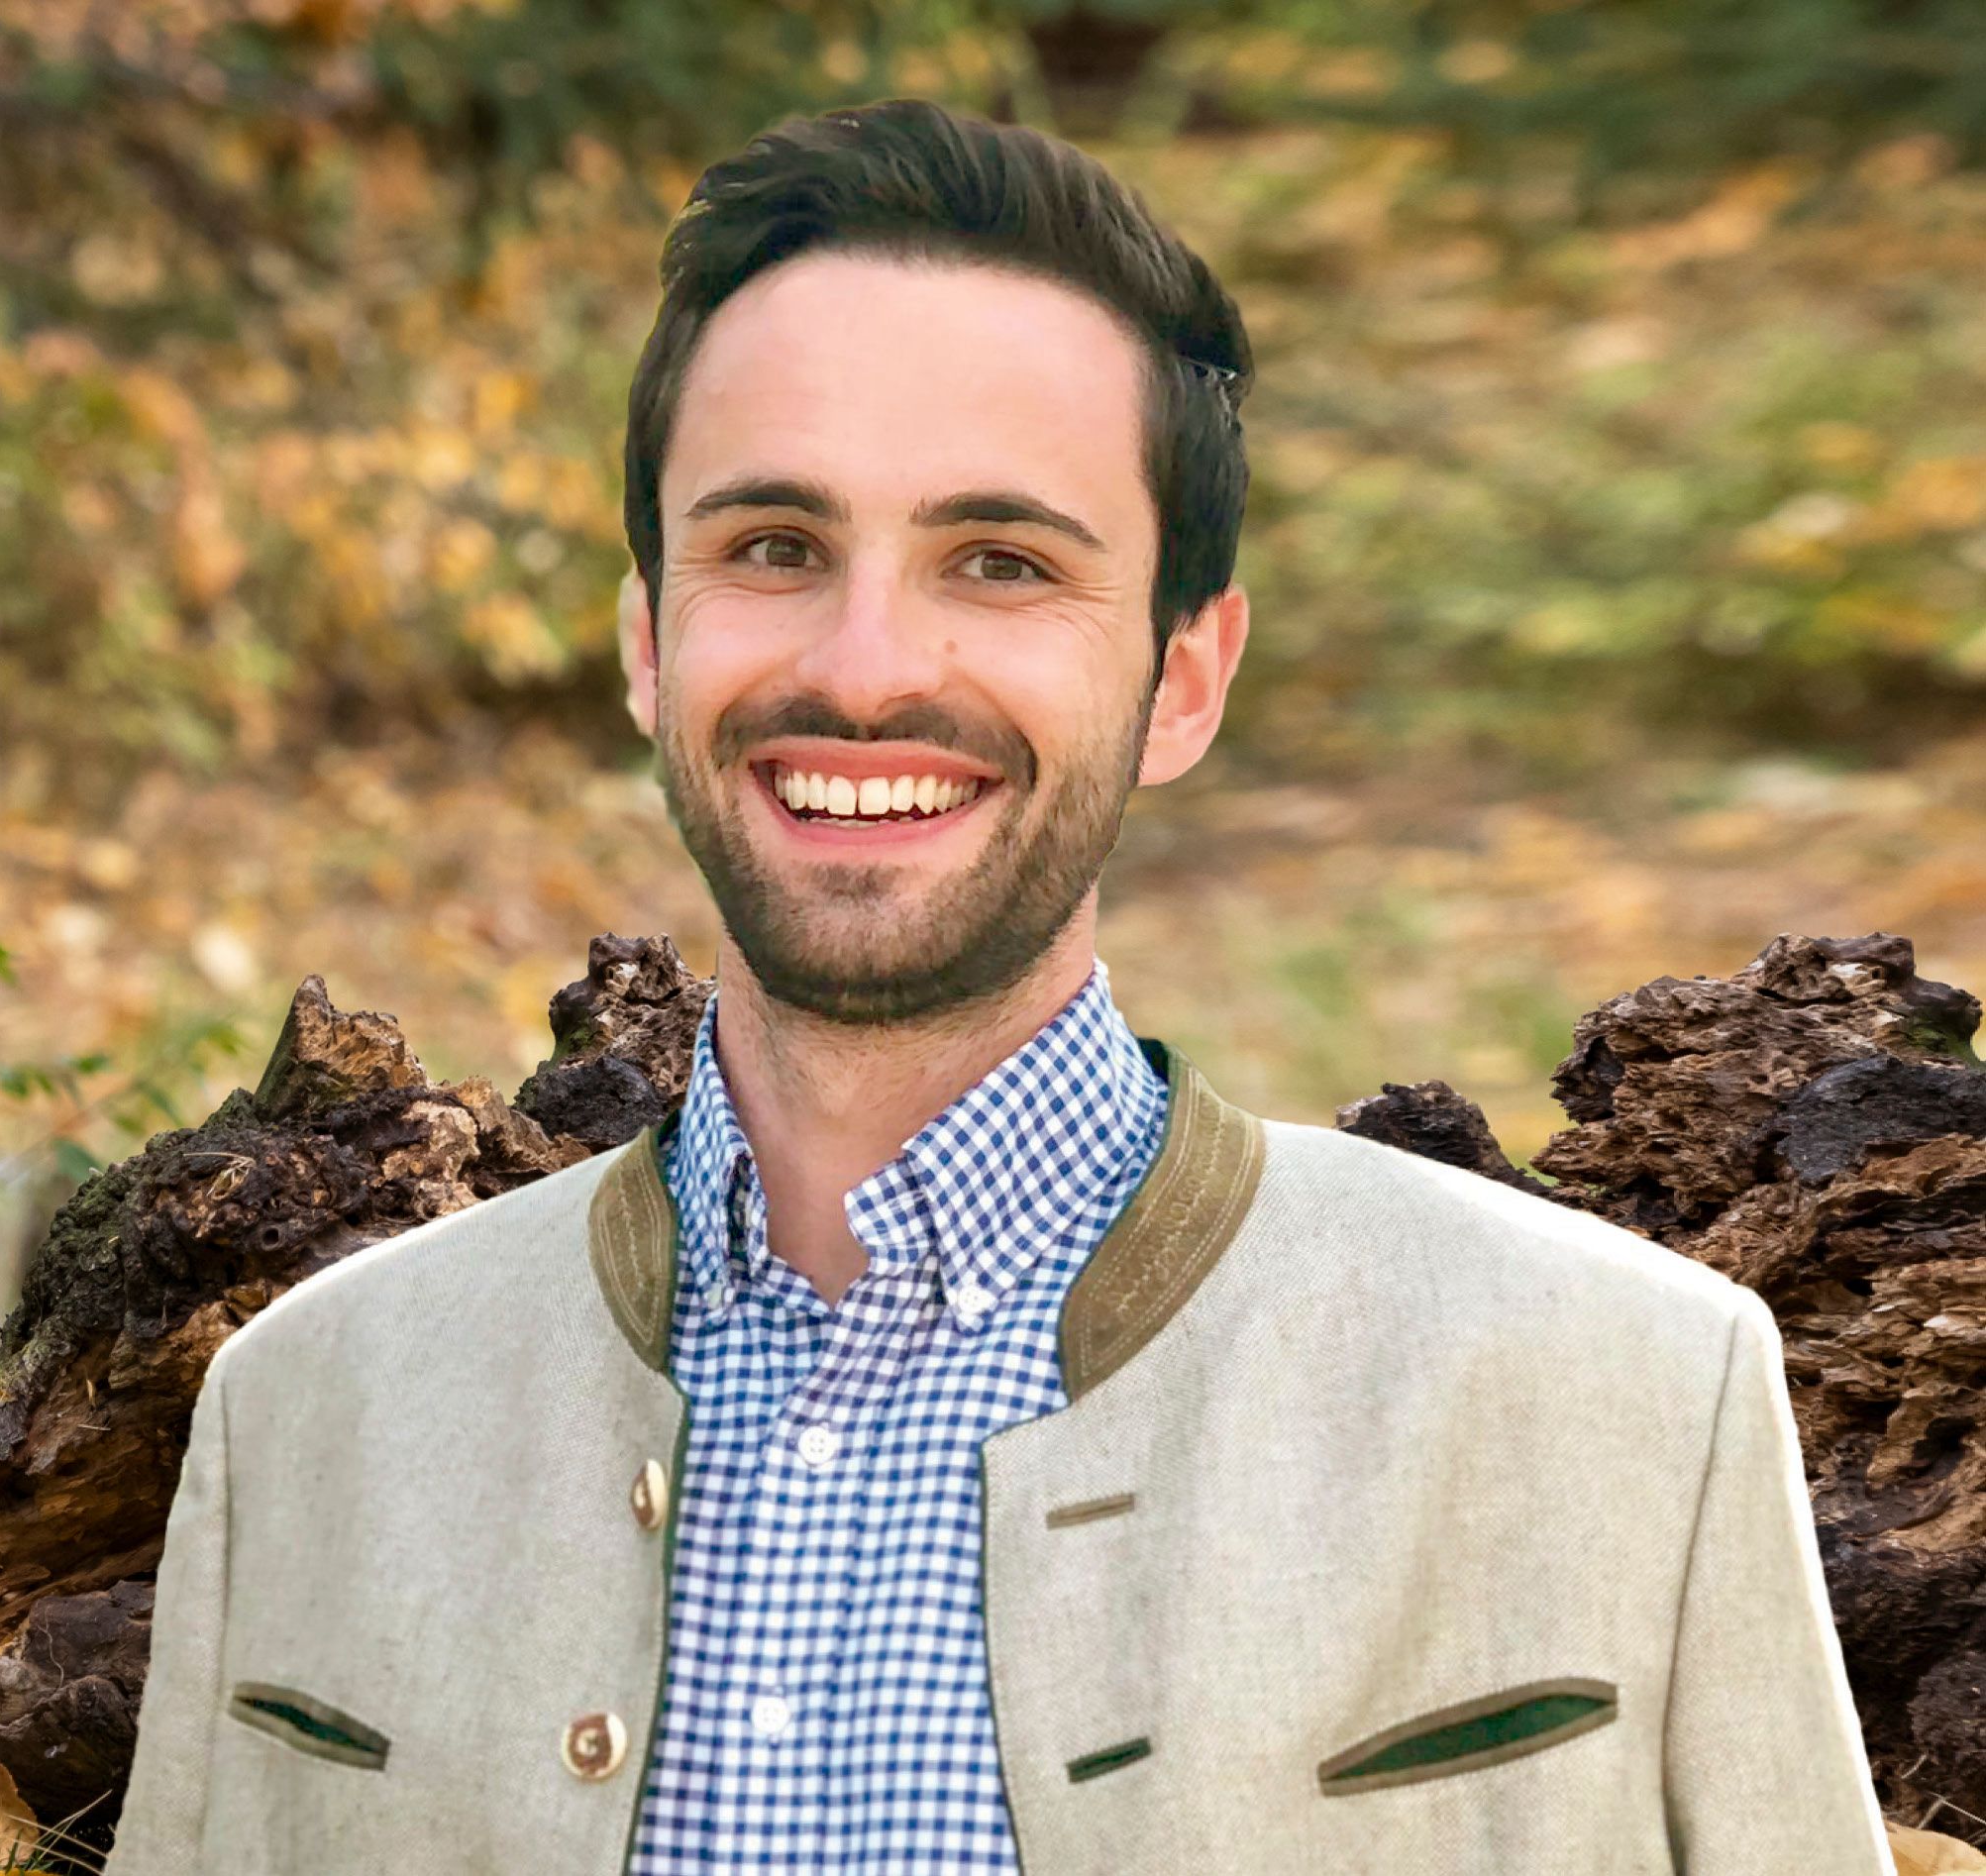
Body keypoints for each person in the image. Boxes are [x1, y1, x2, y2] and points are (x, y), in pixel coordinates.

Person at [105, 98, 1885, 1874]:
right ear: (649, 640)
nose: (866, 667)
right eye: (775, 547)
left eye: (1003, 562)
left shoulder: (1628, 1395)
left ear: (1184, 677)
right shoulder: (307, 1415)